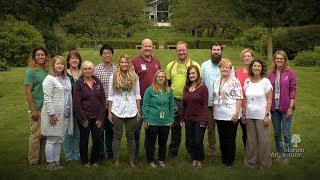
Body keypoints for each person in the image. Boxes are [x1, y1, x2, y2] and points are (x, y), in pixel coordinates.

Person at [166, 41, 201, 158]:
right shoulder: (171, 66)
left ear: (187, 50)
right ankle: (173, 151)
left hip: (190, 102)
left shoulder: (194, 64)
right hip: (175, 101)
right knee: (175, 127)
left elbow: (199, 83)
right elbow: (168, 84)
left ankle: (191, 151)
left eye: (183, 50)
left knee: (190, 128)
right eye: (179, 50)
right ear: (176, 51)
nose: (181, 52)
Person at [107, 55, 141, 168]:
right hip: (117, 109)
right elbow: (110, 95)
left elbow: (137, 95)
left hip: (131, 109)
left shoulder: (135, 76)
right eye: (122, 62)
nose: (124, 64)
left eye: (126, 62)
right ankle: (116, 161)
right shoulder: (113, 76)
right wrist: (109, 112)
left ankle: (131, 160)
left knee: (131, 136)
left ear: (129, 64)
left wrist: (138, 110)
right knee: (117, 136)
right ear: (119, 64)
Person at [201, 43, 234, 155]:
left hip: (224, 104)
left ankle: (225, 149)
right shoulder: (205, 65)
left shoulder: (227, 64)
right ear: (211, 51)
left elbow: (232, 83)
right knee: (210, 128)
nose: (216, 51)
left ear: (221, 51)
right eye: (214, 49)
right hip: (209, 103)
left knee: (224, 129)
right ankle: (212, 148)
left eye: (218, 49)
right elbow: (202, 84)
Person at [41, 56, 73, 170]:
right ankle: (50, 163)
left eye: (61, 64)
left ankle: (57, 162)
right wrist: (52, 114)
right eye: (57, 63)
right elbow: (47, 98)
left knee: (60, 138)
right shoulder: (49, 79)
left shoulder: (66, 79)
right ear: (53, 66)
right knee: (51, 139)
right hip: (54, 114)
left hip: (65, 114)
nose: (59, 65)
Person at [132, 39, 161, 161]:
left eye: (150, 46)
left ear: (152, 48)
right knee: (136, 130)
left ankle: (150, 154)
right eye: (145, 46)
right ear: (141, 48)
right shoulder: (135, 61)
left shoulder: (156, 62)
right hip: (138, 102)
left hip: (153, 103)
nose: (148, 48)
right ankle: (134, 155)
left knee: (151, 130)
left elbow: (161, 79)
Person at [73, 61, 105, 167]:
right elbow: (77, 103)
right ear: (82, 70)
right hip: (84, 117)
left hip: (97, 117)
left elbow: (102, 100)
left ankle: (94, 160)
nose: (87, 71)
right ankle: (85, 161)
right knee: (84, 139)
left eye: (89, 69)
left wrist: (100, 117)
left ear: (93, 70)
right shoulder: (79, 83)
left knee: (97, 139)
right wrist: (83, 119)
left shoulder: (97, 81)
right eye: (85, 69)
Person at [268, 50, 297, 165]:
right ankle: (280, 154)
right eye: (277, 58)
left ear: (285, 60)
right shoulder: (270, 74)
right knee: (277, 133)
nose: (279, 60)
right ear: (274, 60)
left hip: (286, 107)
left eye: (281, 58)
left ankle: (287, 156)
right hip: (274, 109)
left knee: (286, 133)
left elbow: (293, 91)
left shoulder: (290, 73)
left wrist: (291, 107)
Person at [212, 59, 243, 167]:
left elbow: (239, 98)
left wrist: (236, 113)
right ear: (219, 68)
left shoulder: (235, 81)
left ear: (230, 69)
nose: (224, 69)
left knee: (230, 138)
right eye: (222, 67)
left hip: (231, 114)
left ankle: (230, 161)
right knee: (221, 137)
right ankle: (224, 158)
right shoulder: (216, 80)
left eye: (227, 67)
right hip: (218, 114)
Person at [142, 70, 175, 168]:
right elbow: (145, 105)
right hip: (152, 121)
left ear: (165, 79)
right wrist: (146, 119)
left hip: (165, 121)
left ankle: (161, 160)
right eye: (159, 76)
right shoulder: (150, 90)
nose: (160, 78)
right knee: (151, 143)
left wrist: (171, 119)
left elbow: (172, 106)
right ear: (155, 78)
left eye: (162, 77)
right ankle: (151, 161)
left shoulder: (169, 90)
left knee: (163, 143)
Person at [243, 59, 272, 168]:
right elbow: (245, 99)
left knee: (263, 141)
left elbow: (269, 100)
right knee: (251, 141)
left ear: (262, 68)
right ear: (251, 68)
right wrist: (244, 114)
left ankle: (265, 164)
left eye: (258, 66)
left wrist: (267, 115)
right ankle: (251, 162)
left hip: (262, 116)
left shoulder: (266, 81)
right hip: (250, 115)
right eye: (254, 66)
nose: (256, 68)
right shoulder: (247, 81)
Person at [24, 46, 50, 165]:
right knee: (35, 135)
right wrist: (33, 109)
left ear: (45, 56)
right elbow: (27, 91)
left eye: (42, 55)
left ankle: (42, 159)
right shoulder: (31, 71)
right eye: (38, 55)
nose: (40, 57)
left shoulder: (45, 70)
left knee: (44, 135)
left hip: (46, 108)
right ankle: (33, 161)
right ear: (34, 57)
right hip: (36, 108)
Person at [180, 65, 208, 167]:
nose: (191, 75)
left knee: (198, 140)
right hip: (188, 118)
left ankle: (199, 160)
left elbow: (205, 105)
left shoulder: (203, 88)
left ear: (197, 74)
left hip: (199, 119)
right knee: (190, 140)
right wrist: (182, 118)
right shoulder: (186, 88)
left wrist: (203, 120)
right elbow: (184, 104)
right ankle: (194, 158)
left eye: (193, 73)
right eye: (190, 73)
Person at [95, 44, 116, 160]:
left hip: (113, 106)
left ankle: (110, 153)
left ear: (112, 55)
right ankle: (101, 153)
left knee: (111, 131)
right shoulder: (96, 69)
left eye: (109, 53)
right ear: (101, 55)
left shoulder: (117, 69)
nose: (107, 55)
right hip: (100, 106)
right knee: (100, 130)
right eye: (104, 53)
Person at [63, 50, 82, 162]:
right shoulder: (65, 73)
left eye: (76, 58)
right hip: (68, 107)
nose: (74, 60)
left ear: (79, 60)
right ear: (68, 61)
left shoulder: (83, 72)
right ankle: (68, 156)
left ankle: (77, 154)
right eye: (72, 58)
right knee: (68, 132)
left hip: (81, 108)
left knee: (78, 133)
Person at [235, 48, 254, 148]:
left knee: (248, 133)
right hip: (237, 106)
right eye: (245, 56)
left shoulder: (255, 72)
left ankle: (250, 154)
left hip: (250, 106)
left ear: (252, 58)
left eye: (248, 56)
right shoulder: (237, 72)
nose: (246, 58)